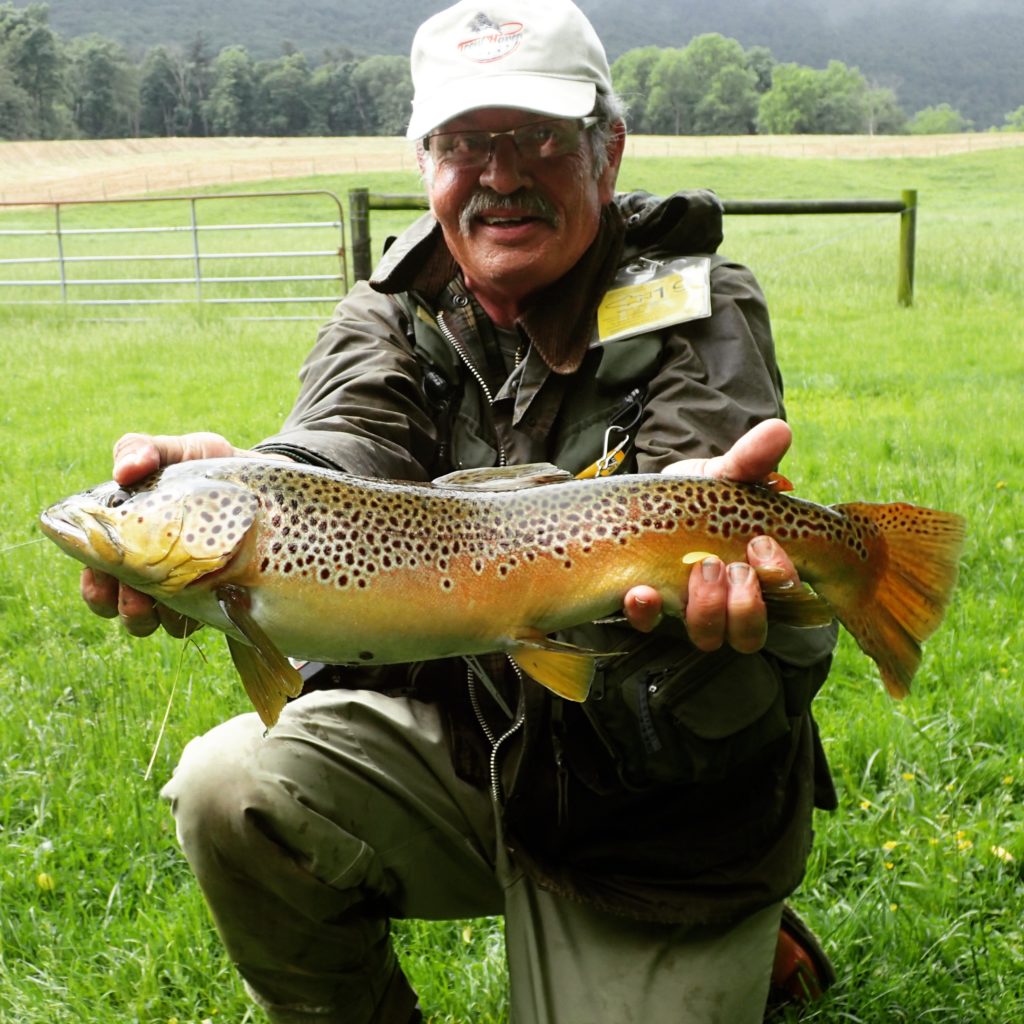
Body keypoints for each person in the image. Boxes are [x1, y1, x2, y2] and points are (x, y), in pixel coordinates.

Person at [81, 1, 839, 1021]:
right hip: (468, 748)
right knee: (230, 786)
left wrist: (698, 527)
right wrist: (258, 481)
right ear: (427, 161)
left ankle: (732, 936)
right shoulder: (388, 312)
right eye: (464, 143)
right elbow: (341, 444)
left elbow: (705, 495)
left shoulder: (691, 303)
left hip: (653, 812)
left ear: (605, 152)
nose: (500, 174)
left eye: (536, 138)